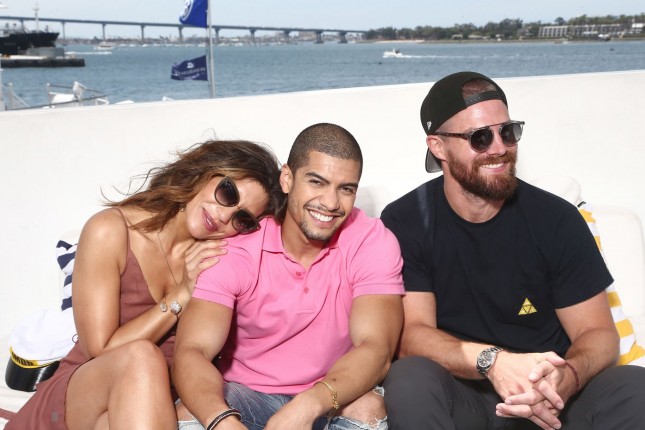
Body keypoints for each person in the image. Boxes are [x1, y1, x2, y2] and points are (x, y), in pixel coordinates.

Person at [380, 71, 645, 429]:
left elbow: (598, 334)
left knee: (635, 387)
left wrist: (567, 378)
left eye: (508, 132)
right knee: (409, 377)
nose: (499, 148)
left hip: (551, 397)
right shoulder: (407, 220)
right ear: (438, 147)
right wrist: (493, 362)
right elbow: (412, 335)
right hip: (470, 397)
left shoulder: (556, 219)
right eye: (479, 137)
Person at [6, 139, 284, 430]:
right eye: (227, 193)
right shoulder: (110, 231)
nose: (224, 215)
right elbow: (99, 349)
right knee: (141, 356)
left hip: (148, 410)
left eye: (242, 218)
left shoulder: (220, 259)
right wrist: (181, 294)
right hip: (86, 396)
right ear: (204, 172)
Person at [172, 122, 404, 430]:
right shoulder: (237, 249)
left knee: (368, 409)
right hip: (247, 397)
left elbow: (376, 349)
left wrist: (309, 405)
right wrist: (221, 421)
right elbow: (193, 351)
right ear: (287, 179)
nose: (330, 203)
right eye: (317, 182)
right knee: (191, 412)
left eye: (345, 189)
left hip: (330, 395)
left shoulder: (371, 241)